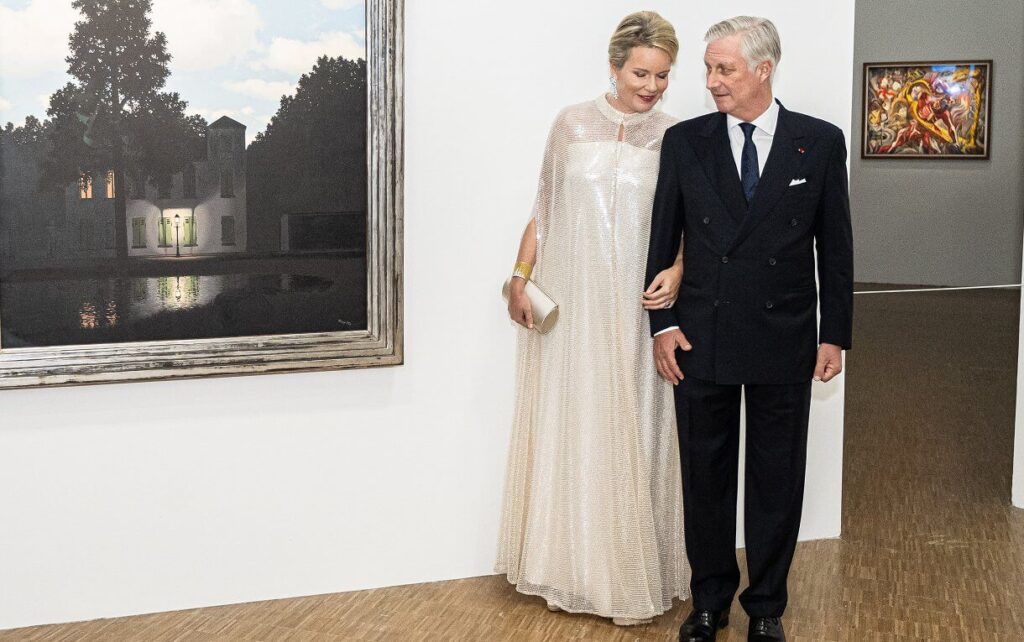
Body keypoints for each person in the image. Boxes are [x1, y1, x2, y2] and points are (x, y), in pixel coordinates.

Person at [644, 16, 853, 642]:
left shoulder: (818, 142)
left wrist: (834, 334)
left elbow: (836, 250)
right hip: (699, 339)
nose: (710, 81)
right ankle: (708, 600)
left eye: (724, 69)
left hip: (784, 340)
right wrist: (662, 325)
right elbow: (662, 240)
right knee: (703, 479)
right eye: (708, 68)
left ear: (764, 69)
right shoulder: (686, 142)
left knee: (775, 478)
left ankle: (766, 607)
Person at [496, 11, 691, 627]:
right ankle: (575, 568)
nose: (652, 86)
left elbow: (690, 221)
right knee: (581, 422)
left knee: (637, 424)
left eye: (663, 75)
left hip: (639, 309)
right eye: (641, 72)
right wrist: (520, 278)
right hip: (577, 306)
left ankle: (635, 567)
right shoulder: (571, 123)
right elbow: (544, 210)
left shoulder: (675, 135)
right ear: (613, 67)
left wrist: (681, 269)